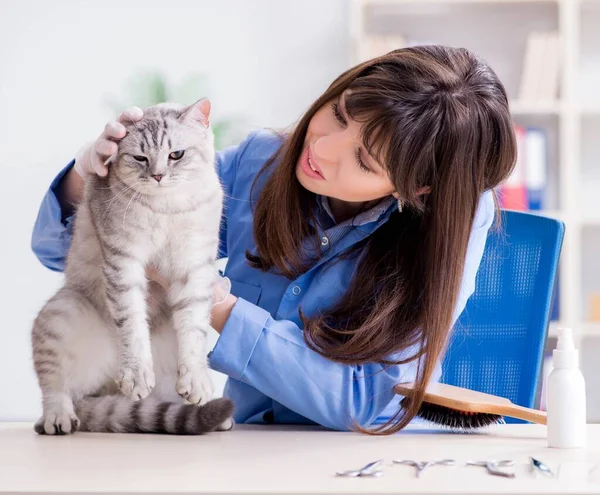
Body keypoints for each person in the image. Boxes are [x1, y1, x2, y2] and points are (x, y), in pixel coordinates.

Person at [31, 45, 516, 435]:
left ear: (418, 188)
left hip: (366, 459)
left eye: (364, 161)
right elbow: (68, 255)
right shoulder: (260, 161)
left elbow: (369, 402)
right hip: (241, 448)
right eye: (339, 114)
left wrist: (219, 308)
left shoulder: (455, 223)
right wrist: (89, 175)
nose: (321, 148)